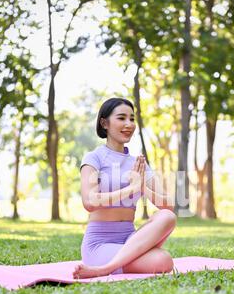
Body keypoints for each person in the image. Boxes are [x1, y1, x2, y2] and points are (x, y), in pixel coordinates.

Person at [73, 97, 176, 279]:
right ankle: (104, 267)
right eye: (121, 118)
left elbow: (168, 206)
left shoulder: (137, 163)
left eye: (132, 119)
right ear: (104, 123)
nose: (128, 124)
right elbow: (89, 202)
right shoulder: (94, 158)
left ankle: (108, 267)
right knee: (162, 262)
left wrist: (143, 187)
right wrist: (130, 189)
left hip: (130, 240)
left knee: (167, 224)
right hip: (99, 244)